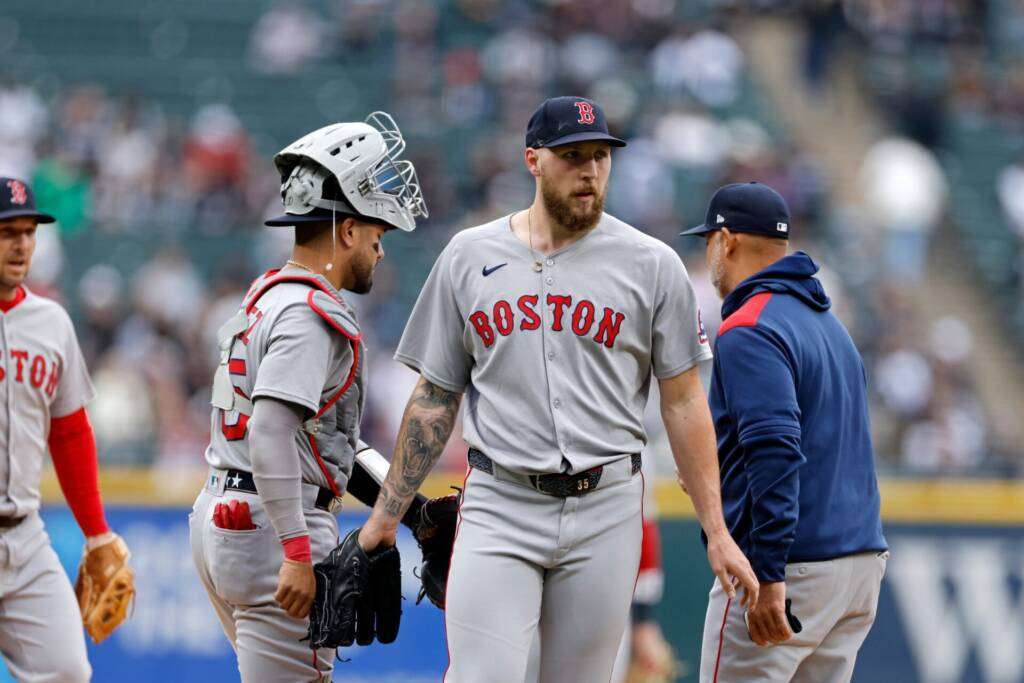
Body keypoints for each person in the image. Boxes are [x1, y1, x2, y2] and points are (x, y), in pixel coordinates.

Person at [357, 96, 758, 682]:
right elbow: (435, 396)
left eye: (600, 156)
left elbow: (684, 401)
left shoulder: (653, 265)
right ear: (533, 161)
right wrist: (386, 516)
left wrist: (716, 532)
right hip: (501, 501)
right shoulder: (469, 256)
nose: (590, 170)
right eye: (573, 156)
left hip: (607, 507)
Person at [188, 112, 427, 682]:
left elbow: (319, 440)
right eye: (376, 232)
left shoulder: (267, 296)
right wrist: (297, 550)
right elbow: (271, 432)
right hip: (275, 526)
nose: (380, 248)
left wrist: (410, 510)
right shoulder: (308, 314)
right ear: (346, 230)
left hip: (230, 510)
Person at [681, 182, 889, 683]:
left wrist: (770, 571)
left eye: (709, 239)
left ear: (726, 240)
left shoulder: (751, 326)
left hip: (788, 567)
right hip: (858, 564)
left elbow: (774, 451)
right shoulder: (829, 325)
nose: (707, 251)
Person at [0, 177, 132, 681]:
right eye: (8, 231)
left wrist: (96, 533)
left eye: (29, 231)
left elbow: (71, 433)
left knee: (68, 670)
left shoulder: (51, 322)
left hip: (25, 537)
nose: (21, 244)